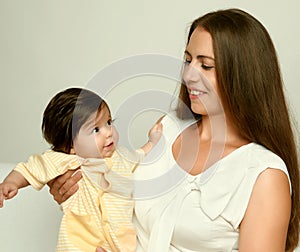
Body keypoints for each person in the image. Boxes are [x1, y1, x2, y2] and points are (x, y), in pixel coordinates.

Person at [48, 8, 300, 252]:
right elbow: (108, 185)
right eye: (188, 60)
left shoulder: (264, 175)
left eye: (206, 65)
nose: (189, 75)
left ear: (243, 75)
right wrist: (72, 191)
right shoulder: (166, 129)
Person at [0, 87, 162, 252]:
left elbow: (138, 157)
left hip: (120, 243)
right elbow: (30, 169)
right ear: (71, 146)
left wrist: (152, 143)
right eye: (95, 130)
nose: (108, 132)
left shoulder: (119, 157)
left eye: (109, 122)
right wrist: (10, 183)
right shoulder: (66, 162)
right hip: (79, 244)